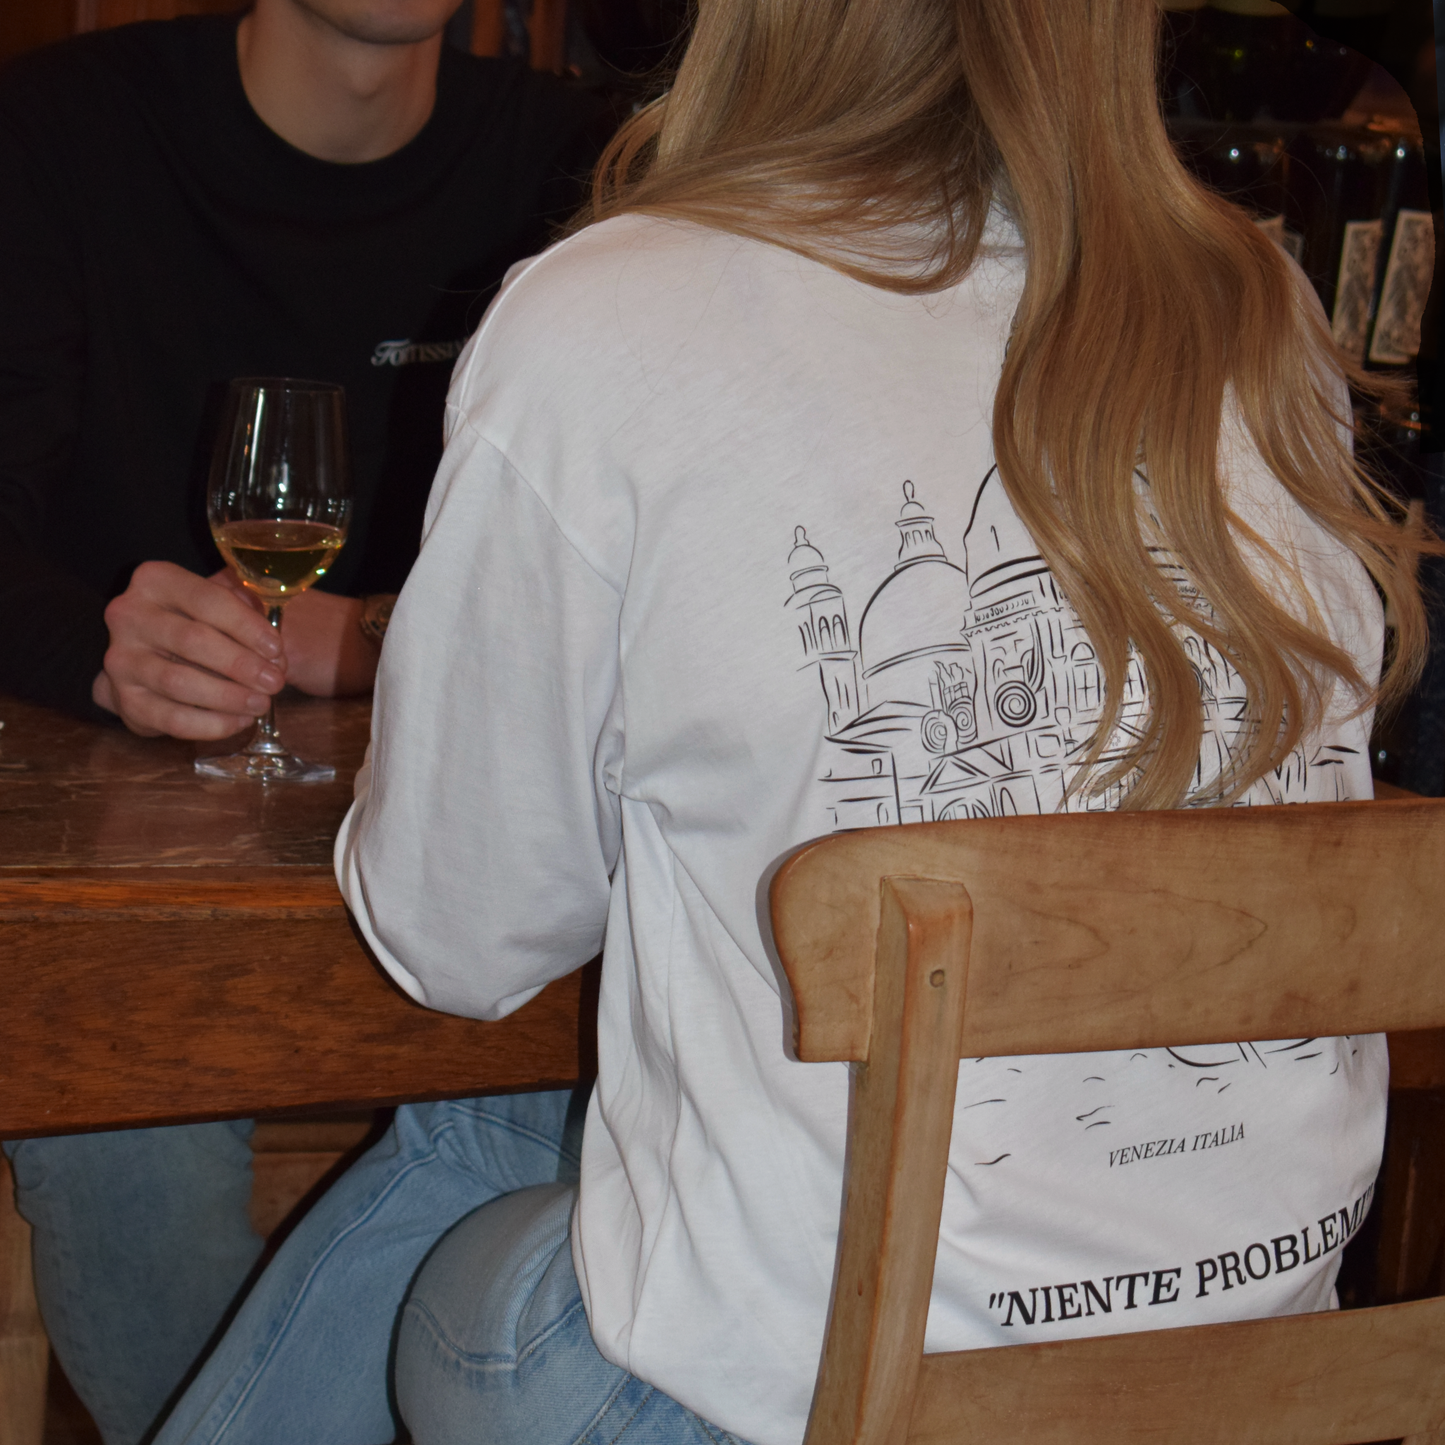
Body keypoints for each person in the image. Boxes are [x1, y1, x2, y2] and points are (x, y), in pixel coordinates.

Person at [152, 0, 1430, 1442]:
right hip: (1268, 1393)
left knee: (467, 1184)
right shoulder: (1261, 301)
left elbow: (457, 944)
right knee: (553, 1127)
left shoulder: (619, 311)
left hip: (831, 1410)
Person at [0, 1, 602, 1440]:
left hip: (487, 843)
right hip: (129, 854)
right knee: (118, 1125)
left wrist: (378, 639)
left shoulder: (584, 164)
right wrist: (96, 646)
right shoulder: (57, 129)